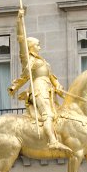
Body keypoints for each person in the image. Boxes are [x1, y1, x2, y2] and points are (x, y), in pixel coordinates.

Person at [8, 8, 72, 154]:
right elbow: (21, 39)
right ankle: (52, 141)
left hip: (48, 91)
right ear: (30, 48)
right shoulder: (27, 59)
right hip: (38, 90)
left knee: (58, 115)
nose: (40, 47)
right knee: (47, 115)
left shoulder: (42, 61)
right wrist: (20, 20)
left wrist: (59, 88)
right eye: (37, 45)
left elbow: (51, 76)